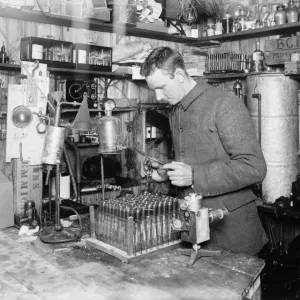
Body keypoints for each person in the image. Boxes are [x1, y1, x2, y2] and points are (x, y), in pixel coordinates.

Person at [140, 47, 268, 255]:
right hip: (195, 233)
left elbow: (254, 167)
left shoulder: (223, 104)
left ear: (180, 75)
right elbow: (196, 158)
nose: (159, 96)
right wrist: (167, 174)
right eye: (154, 89)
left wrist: (193, 176)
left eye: (162, 87)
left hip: (233, 236)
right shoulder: (176, 109)